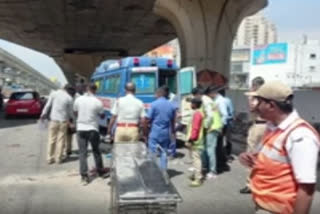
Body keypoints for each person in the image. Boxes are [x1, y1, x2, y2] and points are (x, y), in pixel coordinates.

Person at [239, 81, 320, 214]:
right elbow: (268, 158)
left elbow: (307, 188)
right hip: (265, 205)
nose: (254, 106)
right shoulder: (273, 127)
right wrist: (247, 157)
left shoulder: (300, 135)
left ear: (271, 105)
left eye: (258, 101)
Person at [73, 83, 105, 185]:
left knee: (83, 153)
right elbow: (102, 115)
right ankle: (100, 171)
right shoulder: (97, 102)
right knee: (96, 151)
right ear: (96, 90)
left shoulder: (78, 100)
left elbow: (75, 112)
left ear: (87, 89)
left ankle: (84, 176)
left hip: (81, 128)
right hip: (93, 129)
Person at [240, 76, 267, 194]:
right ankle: (262, 182)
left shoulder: (256, 96)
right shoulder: (268, 95)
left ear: (254, 85)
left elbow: (252, 108)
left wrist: (251, 97)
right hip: (268, 126)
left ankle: (250, 184)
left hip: (258, 126)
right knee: (265, 155)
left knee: (251, 155)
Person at [40, 84, 74, 164]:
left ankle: (50, 158)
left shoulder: (54, 94)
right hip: (63, 122)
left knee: (52, 139)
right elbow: (70, 113)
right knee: (61, 140)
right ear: (68, 90)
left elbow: (48, 106)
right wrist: (73, 121)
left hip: (54, 120)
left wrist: (43, 114)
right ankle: (59, 159)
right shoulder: (69, 98)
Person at [144, 86, 176, 170]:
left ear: (159, 93)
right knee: (164, 152)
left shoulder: (154, 104)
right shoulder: (171, 105)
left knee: (152, 152)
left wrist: (145, 132)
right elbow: (173, 121)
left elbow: (148, 119)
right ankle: (163, 171)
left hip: (155, 131)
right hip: (165, 132)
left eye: (155, 94)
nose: (154, 95)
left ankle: (152, 171)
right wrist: (173, 132)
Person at [203, 86, 224, 179]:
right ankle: (207, 167)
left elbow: (210, 115)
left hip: (212, 128)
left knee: (210, 150)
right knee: (209, 149)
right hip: (216, 126)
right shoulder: (212, 101)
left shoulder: (206, 100)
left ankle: (212, 171)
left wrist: (206, 126)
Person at [186, 98, 205, 187]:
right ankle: (195, 175)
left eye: (192, 103)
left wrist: (191, 139)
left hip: (196, 141)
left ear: (195, 104)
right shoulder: (199, 112)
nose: (190, 105)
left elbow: (195, 128)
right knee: (194, 159)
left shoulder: (197, 114)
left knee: (196, 159)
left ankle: (198, 178)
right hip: (197, 139)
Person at [219, 88, 234, 160]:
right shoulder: (228, 100)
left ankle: (224, 155)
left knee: (222, 139)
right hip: (228, 121)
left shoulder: (221, 101)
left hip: (225, 122)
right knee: (228, 139)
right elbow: (231, 111)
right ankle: (227, 155)